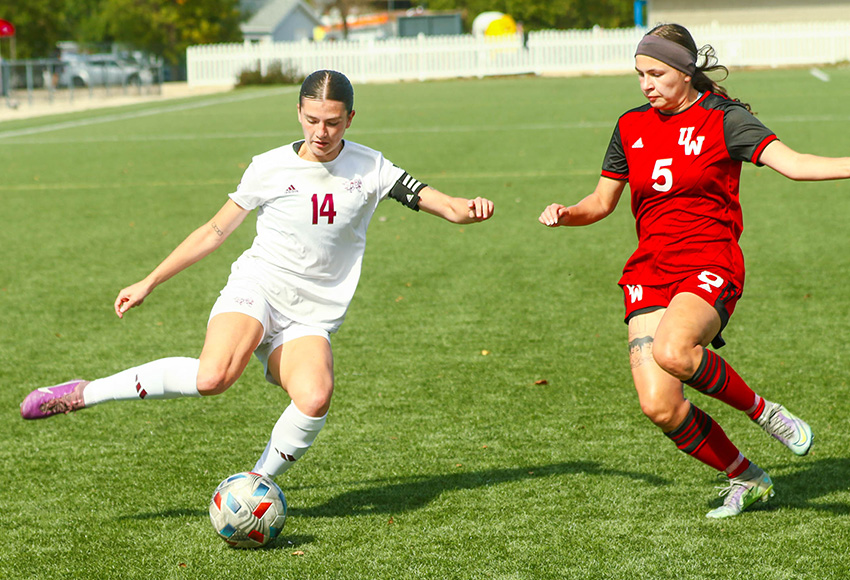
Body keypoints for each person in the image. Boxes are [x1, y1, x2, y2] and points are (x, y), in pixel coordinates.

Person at [21, 69, 495, 483]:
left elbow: (445, 205)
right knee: (213, 378)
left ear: (350, 119)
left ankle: (256, 484)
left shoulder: (372, 166)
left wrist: (470, 210)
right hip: (260, 289)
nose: (321, 132)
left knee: (315, 396)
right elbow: (213, 231)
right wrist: (149, 281)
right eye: (312, 120)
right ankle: (84, 393)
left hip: (312, 315)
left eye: (332, 122)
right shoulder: (269, 167)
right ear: (298, 113)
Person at [539, 23, 850, 518]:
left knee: (674, 350)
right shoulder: (629, 126)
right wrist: (566, 212)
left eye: (657, 73)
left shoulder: (724, 120)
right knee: (659, 406)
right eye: (640, 74)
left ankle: (766, 413)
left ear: (685, 72)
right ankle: (747, 477)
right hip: (648, 271)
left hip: (709, 261)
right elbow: (601, 201)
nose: (646, 84)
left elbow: (795, 163)